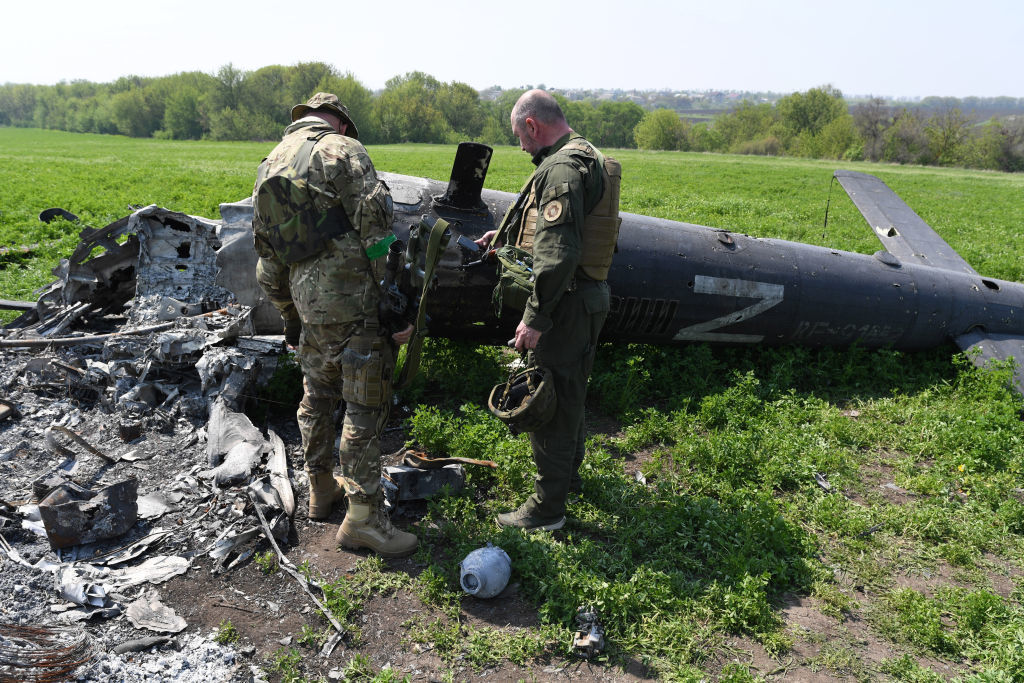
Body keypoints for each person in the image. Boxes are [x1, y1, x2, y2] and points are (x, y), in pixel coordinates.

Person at [252, 92, 417, 557]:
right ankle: (364, 520)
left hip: (307, 303)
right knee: (364, 405)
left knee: (317, 396)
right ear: (341, 124)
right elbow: (379, 231)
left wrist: (290, 315)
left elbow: (267, 260)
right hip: (356, 303)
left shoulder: (270, 163)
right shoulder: (343, 150)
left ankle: (321, 491)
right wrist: (393, 304)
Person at [477, 89, 621, 531]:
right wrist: (505, 241)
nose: (520, 146)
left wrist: (534, 319)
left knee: (551, 403)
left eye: (519, 136)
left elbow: (558, 253)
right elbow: (556, 234)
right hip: (585, 297)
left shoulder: (558, 168)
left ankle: (546, 509)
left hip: (565, 304)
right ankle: (567, 478)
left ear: (533, 126)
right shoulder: (584, 155)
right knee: (571, 394)